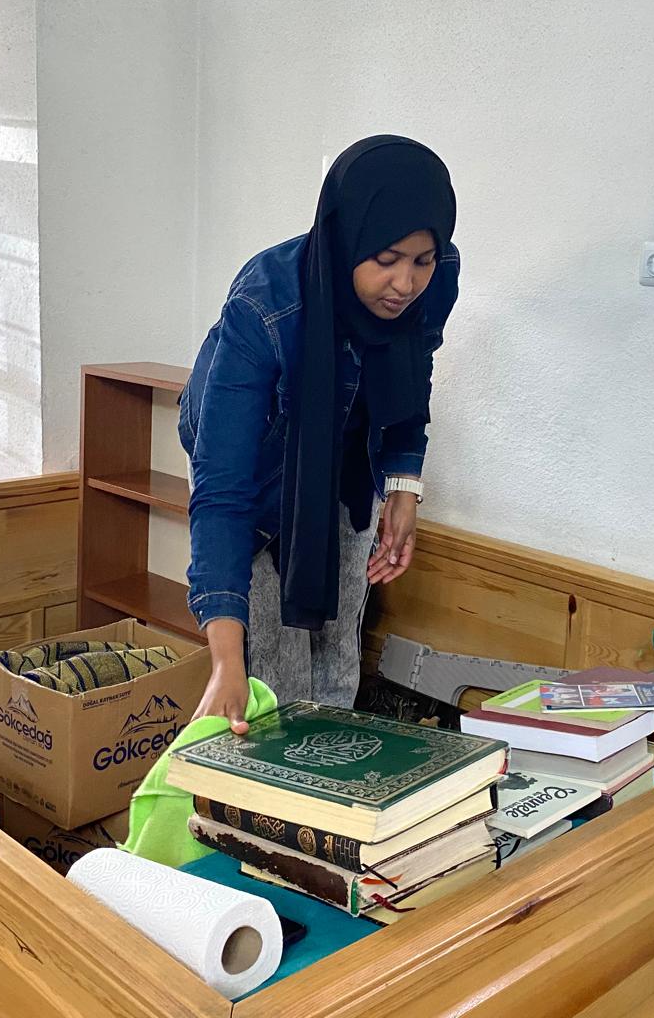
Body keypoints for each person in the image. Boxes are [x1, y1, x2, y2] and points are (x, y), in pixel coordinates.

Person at [179, 135, 460, 733]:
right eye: (386, 259)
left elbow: (412, 375)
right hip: (259, 457)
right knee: (271, 673)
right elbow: (224, 491)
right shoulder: (265, 306)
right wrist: (225, 662)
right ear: (347, 236)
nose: (405, 283)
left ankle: (331, 763)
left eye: (421, 261)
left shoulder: (438, 276)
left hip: (346, 456)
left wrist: (404, 484)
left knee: (336, 655)